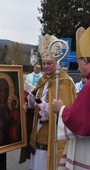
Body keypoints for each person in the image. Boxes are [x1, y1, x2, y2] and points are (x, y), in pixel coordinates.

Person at [28, 34, 76, 170]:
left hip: (52, 137)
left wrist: (48, 110)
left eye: (49, 63)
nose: (45, 66)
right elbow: (39, 99)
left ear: (57, 64)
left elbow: (67, 109)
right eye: (44, 63)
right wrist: (32, 99)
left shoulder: (65, 82)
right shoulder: (42, 80)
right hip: (37, 133)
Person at [52, 27, 90, 169]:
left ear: (85, 60)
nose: (78, 68)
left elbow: (81, 122)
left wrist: (60, 109)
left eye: (79, 62)